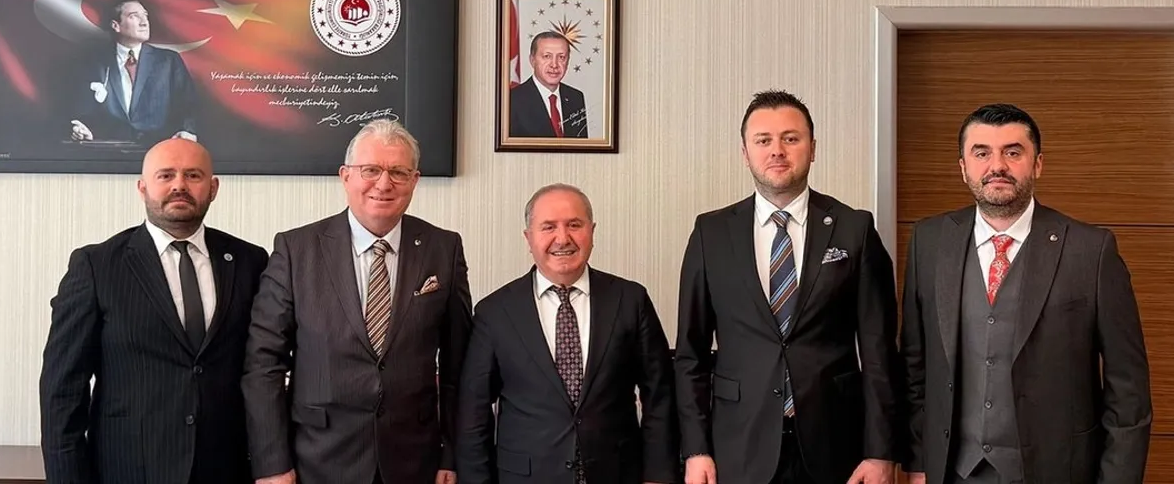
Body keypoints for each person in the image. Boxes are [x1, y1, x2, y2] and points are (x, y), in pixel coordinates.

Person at [900, 103, 1152, 484]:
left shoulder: (1091, 251)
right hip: (953, 472)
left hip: (1057, 471)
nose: (997, 166)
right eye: (981, 153)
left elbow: (1128, 392)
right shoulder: (929, 242)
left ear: (1037, 164)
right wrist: (919, 463)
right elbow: (914, 365)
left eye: (1013, 152)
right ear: (963, 168)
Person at [675, 89, 900, 484]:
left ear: (812, 148)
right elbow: (690, 354)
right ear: (745, 153)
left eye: (790, 138)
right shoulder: (711, 233)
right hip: (738, 446)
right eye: (763, 140)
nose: (777, 150)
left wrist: (880, 452)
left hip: (836, 445)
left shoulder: (855, 229)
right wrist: (695, 449)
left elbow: (879, 351)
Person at [242, 119, 474, 484]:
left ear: (415, 180)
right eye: (370, 170)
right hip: (318, 458)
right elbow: (263, 364)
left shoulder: (443, 249)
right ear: (345, 176)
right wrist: (272, 463)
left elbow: (459, 365)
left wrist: (452, 453)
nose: (384, 183)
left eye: (398, 172)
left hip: (415, 460)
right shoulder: (296, 250)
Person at [39, 139, 268, 484]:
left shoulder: (250, 261)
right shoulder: (97, 266)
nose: (179, 185)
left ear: (213, 188)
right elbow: (62, 388)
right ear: (142, 188)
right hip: (128, 469)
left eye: (193, 175)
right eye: (166, 175)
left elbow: (264, 369)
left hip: (227, 467)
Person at [456, 184, 679, 484]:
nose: (562, 238)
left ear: (592, 231)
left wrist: (658, 475)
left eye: (574, 225)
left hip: (617, 472)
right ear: (528, 238)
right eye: (548, 227)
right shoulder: (494, 312)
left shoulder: (630, 300)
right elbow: (474, 411)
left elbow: (660, 394)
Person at [70, 0, 197, 144]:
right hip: (109, 150)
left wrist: (187, 130)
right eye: (134, 16)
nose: (144, 22)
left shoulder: (168, 61)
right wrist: (82, 128)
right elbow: (82, 109)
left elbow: (188, 104)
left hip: (159, 150)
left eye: (145, 16)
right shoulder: (95, 62)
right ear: (116, 26)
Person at [508, 32, 588, 138]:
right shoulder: (511, 100)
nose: (554, 65)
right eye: (547, 56)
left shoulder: (576, 98)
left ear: (567, 61)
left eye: (561, 57)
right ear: (532, 60)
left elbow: (581, 146)